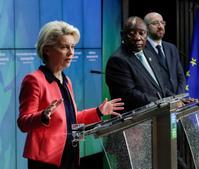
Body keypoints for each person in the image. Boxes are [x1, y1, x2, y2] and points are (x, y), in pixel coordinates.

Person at [17, 21, 124, 169]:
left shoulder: (66, 80)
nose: (71, 52)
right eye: (64, 47)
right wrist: (43, 116)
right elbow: (23, 122)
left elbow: (71, 119)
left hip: (70, 154)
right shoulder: (34, 80)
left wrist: (99, 111)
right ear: (47, 50)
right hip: (46, 160)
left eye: (72, 47)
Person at [106, 16, 170, 113]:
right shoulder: (118, 60)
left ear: (147, 34)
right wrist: (164, 103)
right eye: (131, 34)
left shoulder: (149, 53)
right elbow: (130, 95)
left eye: (141, 33)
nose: (137, 38)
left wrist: (175, 99)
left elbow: (160, 86)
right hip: (133, 121)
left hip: (156, 115)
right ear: (122, 35)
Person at [144, 12, 186, 95]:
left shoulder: (171, 48)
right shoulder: (142, 49)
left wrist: (180, 96)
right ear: (146, 28)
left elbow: (181, 77)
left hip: (178, 101)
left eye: (162, 22)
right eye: (155, 23)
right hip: (159, 101)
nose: (160, 26)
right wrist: (173, 98)